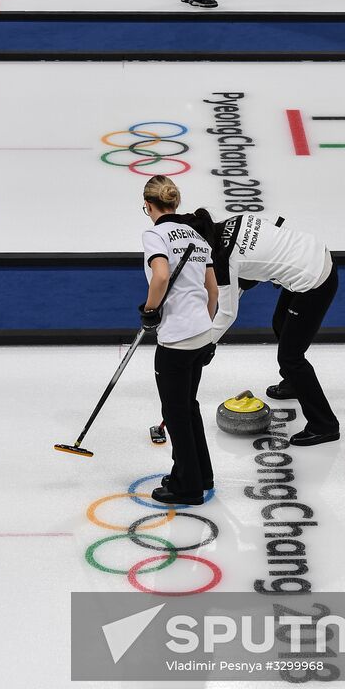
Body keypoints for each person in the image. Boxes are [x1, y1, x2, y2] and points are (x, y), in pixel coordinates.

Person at [191, 210, 340, 446]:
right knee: (280, 323)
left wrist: (207, 343)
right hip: (311, 254)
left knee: (291, 356)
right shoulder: (234, 221)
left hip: (314, 280)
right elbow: (264, 241)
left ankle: (325, 425)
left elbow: (228, 312)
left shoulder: (222, 258)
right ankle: (293, 383)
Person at [140, 175, 218, 505]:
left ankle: (187, 486)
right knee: (189, 406)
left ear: (149, 206)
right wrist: (207, 326)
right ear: (176, 202)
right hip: (202, 331)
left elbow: (160, 275)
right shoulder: (198, 237)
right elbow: (212, 290)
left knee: (174, 413)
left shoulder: (155, 234)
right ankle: (201, 473)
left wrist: (149, 310)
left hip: (176, 338)